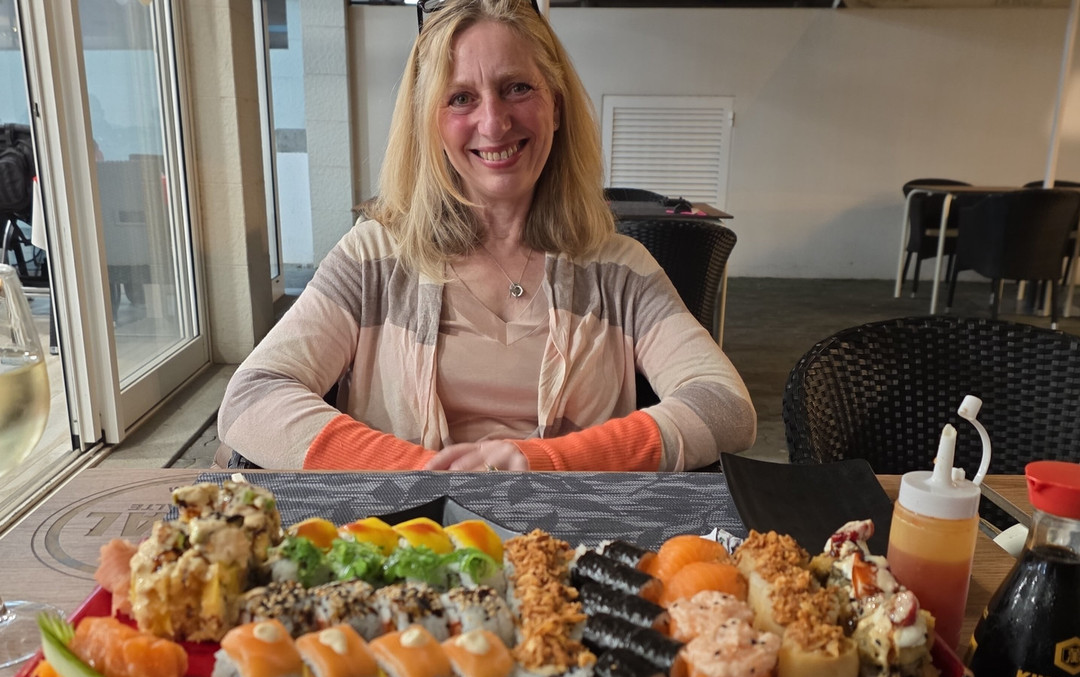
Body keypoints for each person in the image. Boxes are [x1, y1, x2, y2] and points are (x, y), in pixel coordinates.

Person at [217, 0, 755, 473]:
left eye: (517, 88)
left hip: (571, 542)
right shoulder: (372, 257)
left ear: (556, 106)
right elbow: (252, 398)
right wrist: (420, 472)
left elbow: (725, 406)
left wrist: (549, 462)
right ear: (429, 122)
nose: (494, 123)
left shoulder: (621, 269)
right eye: (460, 98)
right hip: (405, 539)